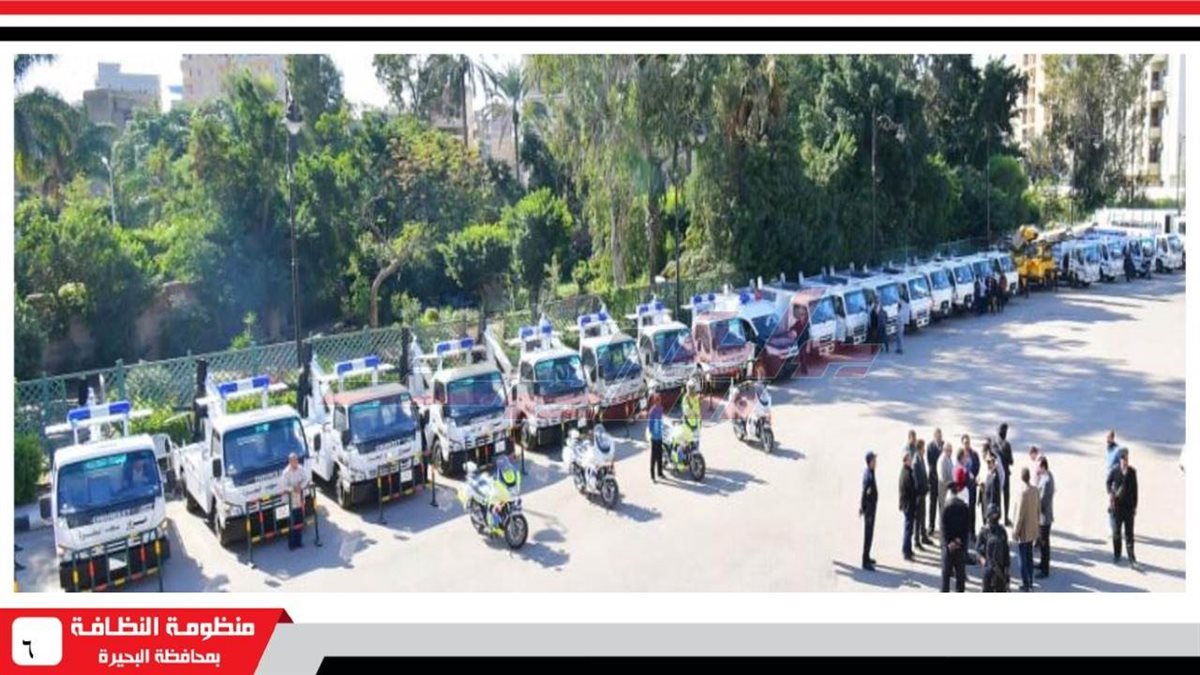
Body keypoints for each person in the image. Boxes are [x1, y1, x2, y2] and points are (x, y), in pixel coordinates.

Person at [1107, 447, 1139, 568]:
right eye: (1123, 459)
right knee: (1116, 533)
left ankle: (1132, 558)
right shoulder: (1115, 471)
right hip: (1117, 508)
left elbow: (1135, 490)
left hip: (1129, 508)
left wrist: (1135, 506)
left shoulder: (1132, 472)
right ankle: (1117, 555)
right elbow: (1108, 482)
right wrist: (1111, 493)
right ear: (1120, 460)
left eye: (1126, 459)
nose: (1125, 462)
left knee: (1129, 534)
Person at [940, 466, 971, 593]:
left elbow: (943, 529)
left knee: (946, 579)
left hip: (948, 548)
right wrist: (959, 541)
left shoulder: (946, 508)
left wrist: (948, 544)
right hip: (960, 547)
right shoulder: (964, 508)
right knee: (960, 579)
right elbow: (966, 528)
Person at [1013, 467, 1040, 591]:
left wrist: (1015, 531)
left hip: (1023, 531)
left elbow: (1020, 515)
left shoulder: (1022, 493)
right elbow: (1038, 509)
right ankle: (1031, 581)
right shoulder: (1035, 490)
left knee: (1022, 559)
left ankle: (1025, 583)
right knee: (1030, 557)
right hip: (1032, 530)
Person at [976, 503, 1011, 592]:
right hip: (988, 568)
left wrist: (1007, 570)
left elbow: (1006, 551)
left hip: (1000, 569)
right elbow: (978, 550)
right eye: (992, 515)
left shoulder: (1002, 531)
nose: (994, 517)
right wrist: (982, 560)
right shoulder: (984, 531)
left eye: (996, 514)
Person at [281, 452, 309, 550]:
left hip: (299, 500)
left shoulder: (301, 469)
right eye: (293, 461)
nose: (296, 462)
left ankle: (299, 542)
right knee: (291, 523)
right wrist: (293, 488)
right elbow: (284, 486)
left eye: (296, 460)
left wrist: (300, 486)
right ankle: (291, 544)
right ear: (290, 462)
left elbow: (306, 479)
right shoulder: (286, 472)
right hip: (290, 502)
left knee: (299, 522)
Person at [1036, 456, 1055, 578]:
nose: (1037, 469)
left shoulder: (1047, 481)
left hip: (1044, 517)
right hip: (1043, 516)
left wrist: (1035, 507)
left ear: (1043, 467)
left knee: (1044, 543)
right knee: (1042, 542)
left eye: (1038, 466)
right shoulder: (1045, 476)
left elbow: (1044, 501)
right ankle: (1042, 563)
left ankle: (1045, 569)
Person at [912, 440, 932, 549]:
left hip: (923, 493)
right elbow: (917, 481)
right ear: (919, 449)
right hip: (919, 495)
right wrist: (924, 488)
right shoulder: (915, 462)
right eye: (923, 448)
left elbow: (924, 474)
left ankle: (923, 535)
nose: (924, 450)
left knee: (923, 515)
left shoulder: (921, 459)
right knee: (918, 518)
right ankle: (916, 540)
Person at [860, 452, 878, 571]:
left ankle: (867, 556)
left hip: (872, 508)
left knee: (870, 534)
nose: (876, 462)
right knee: (868, 535)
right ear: (870, 462)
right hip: (869, 509)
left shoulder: (871, 472)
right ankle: (865, 560)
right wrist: (863, 508)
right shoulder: (868, 476)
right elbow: (864, 493)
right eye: (874, 460)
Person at [898, 451, 916, 561]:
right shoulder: (906, 474)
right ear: (905, 461)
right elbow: (911, 490)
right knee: (908, 529)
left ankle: (908, 548)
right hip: (908, 504)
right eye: (909, 459)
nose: (911, 461)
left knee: (909, 528)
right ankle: (906, 551)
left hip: (906, 504)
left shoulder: (906, 471)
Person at [926, 429, 945, 534]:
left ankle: (942, 525)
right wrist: (937, 474)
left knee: (942, 504)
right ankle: (931, 525)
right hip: (933, 479)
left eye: (940, 436)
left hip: (942, 482)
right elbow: (931, 464)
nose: (939, 438)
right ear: (934, 436)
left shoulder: (944, 446)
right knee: (932, 503)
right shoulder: (930, 447)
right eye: (938, 436)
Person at [962, 435, 980, 544]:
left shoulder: (974, 454)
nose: (967, 444)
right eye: (965, 443)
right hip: (963, 487)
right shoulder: (960, 455)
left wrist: (973, 474)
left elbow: (977, 466)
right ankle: (964, 532)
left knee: (972, 510)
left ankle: (972, 532)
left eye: (968, 442)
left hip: (972, 486)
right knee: (964, 510)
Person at [997, 423, 1015, 526]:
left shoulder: (994, 443)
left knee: (997, 495)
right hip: (1005, 473)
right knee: (1006, 496)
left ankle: (997, 516)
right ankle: (1006, 518)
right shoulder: (1006, 444)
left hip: (997, 473)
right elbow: (1011, 461)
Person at [647, 393, 664, 483]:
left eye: (660, 400)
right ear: (655, 401)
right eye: (658, 400)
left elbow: (661, 420)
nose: (659, 402)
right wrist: (652, 432)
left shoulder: (661, 408)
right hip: (654, 437)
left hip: (660, 435)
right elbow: (650, 424)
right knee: (653, 457)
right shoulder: (652, 411)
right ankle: (652, 476)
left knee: (660, 455)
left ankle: (660, 472)